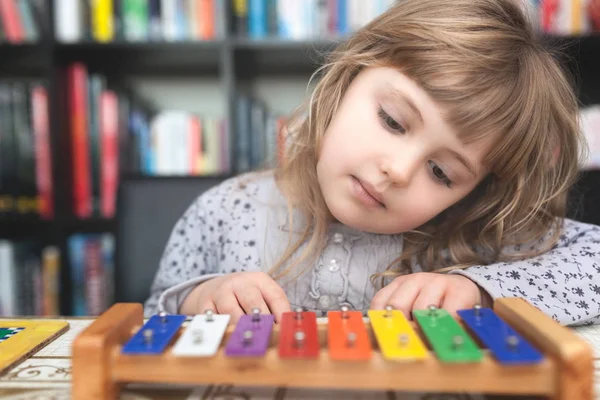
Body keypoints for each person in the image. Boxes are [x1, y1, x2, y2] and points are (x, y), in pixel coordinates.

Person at [144, 0, 600, 326]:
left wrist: (480, 290)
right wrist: (200, 299)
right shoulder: (225, 210)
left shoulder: (472, 235)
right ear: (347, 77)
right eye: (393, 121)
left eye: (441, 173)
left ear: (474, 191)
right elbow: (152, 317)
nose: (398, 171)